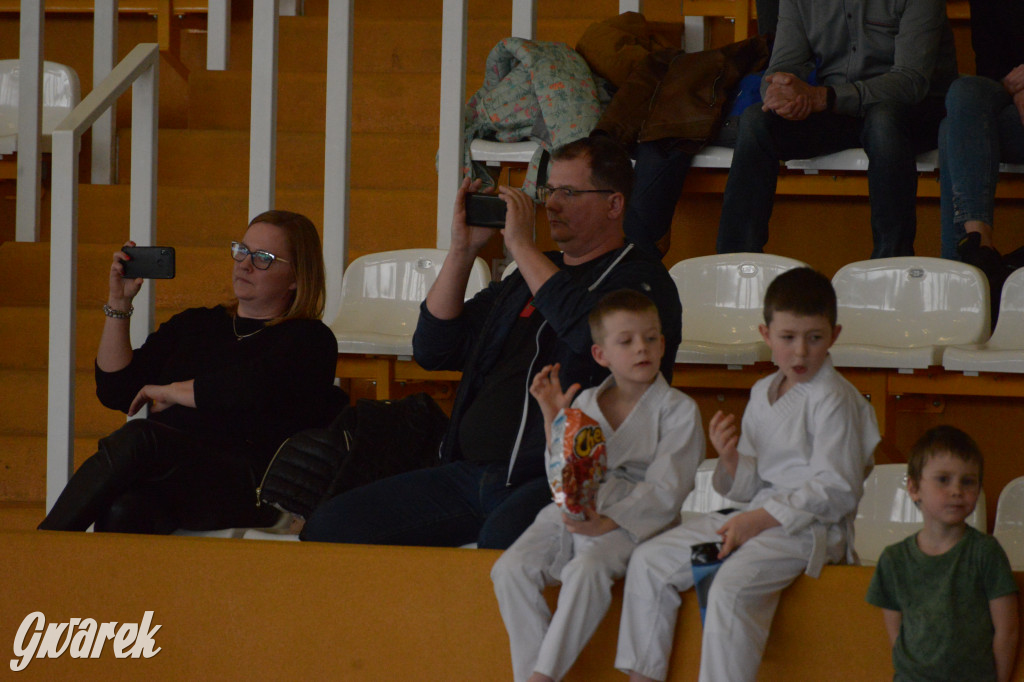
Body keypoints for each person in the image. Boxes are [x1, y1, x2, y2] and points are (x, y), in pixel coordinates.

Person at [300, 136, 682, 550]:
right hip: (469, 473)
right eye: (549, 190)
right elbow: (434, 349)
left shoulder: (642, 280)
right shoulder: (526, 277)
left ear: (614, 204)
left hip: (560, 478)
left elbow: (590, 333)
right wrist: (462, 252)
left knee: (500, 546)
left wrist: (520, 244)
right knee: (330, 528)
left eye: (569, 192)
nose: (551, 204)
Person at [616, 267, 881, 682]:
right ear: (766, 333)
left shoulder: (834, 399)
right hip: (754, 516)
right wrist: (730, 459)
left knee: (730, 589)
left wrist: (757, 520)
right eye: (788, 338)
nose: (800, 353)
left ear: (835, 334)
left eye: (814, 338)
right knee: (649, 561)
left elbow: (837, 488)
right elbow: (750, 485)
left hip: (808, 531)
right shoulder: (762, 391)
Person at [38, 211, 341, 534]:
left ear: (296, 276)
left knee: (141, 438)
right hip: (174, 480)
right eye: (242, 250)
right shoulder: (197, 324)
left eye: (263, 258)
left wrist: (170, 391)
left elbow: (249, 388)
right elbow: (117, 390)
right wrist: (119, 304)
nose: (244, 264)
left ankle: (43, 546)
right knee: (123, 509)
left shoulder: (310, 339)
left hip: (248, 488)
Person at [491, 289, 704, 682]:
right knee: (510, 569)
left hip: (635, 520)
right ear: (601, 355)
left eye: (652, 337)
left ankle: (544, 675)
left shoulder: (679, 410)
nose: (642, 348)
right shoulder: (587, 401)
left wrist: (606, 522)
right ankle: (530, 671)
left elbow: (667, 491)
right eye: (626, 341)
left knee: (586, 568)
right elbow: (563, 472)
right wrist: (553, 421)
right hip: (578, 507)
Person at [716, 0, 957, 259]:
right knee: (756, 120)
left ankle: (892, 262)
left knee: (884, 120)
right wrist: (780, 93)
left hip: (913, 109)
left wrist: (825, 98)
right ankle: (735, 262)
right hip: (836, 107)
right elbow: (784, 65)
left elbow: (910, 82)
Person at [866, 425, 1019, 682]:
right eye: (943, 479)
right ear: (914, 488)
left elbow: (1008, 630)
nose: (956, 490)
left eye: (968, 481)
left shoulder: (986, 553)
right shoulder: (893, 560)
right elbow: (896, 635)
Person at [938, 0, 1024, 303]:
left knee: (952, 130)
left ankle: (962, 284)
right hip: (1013, 108)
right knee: (964, 94)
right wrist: (1017, 89)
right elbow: (990, 70)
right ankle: (979, 246)